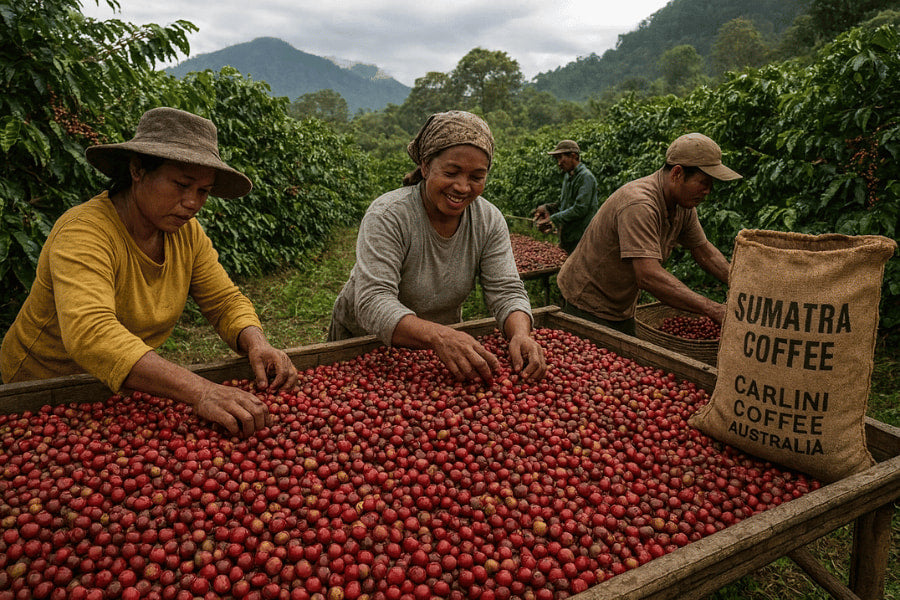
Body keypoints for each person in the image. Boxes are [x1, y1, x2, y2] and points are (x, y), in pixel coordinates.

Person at [1, 107, 297, 436]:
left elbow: (223, 300)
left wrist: (257, 343)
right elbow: (91, 333)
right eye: (182, 184)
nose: (193, 203)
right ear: (138, 170)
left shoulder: (186, 233)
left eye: (203, 191)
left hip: (119, 389)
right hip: (38, 394)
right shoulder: (83, 233)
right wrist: (201, 391)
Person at [328, 110, 546, 383]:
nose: (463, 187)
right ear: (426, 166)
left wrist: (520, 335)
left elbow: (506, 290)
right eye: (451, 172)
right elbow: (373, 301)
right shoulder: (388, 215)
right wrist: (439, 335)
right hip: (366, 344)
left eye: (477, 177)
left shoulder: (488, 220)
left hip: (437, 349)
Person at [556, 132, 741, 336]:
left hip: (622, 304)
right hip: (587, 301)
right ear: (677, 174)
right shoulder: (639, 204)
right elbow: (648, 276)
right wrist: (713, 309)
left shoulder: (684, 207)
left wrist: (741, 284)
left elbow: (704, 252)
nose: (708, 191)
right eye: (704, 182)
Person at [532, 139, 598, 254]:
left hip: (581, 238)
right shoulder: (568, 177)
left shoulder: (586, 177)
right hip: (568, 238)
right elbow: (564, 204)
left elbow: (580, 209)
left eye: (560, 158)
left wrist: (553, 219)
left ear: (573, 156)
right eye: (557, 159)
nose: (559, 163)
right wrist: (547, 208)